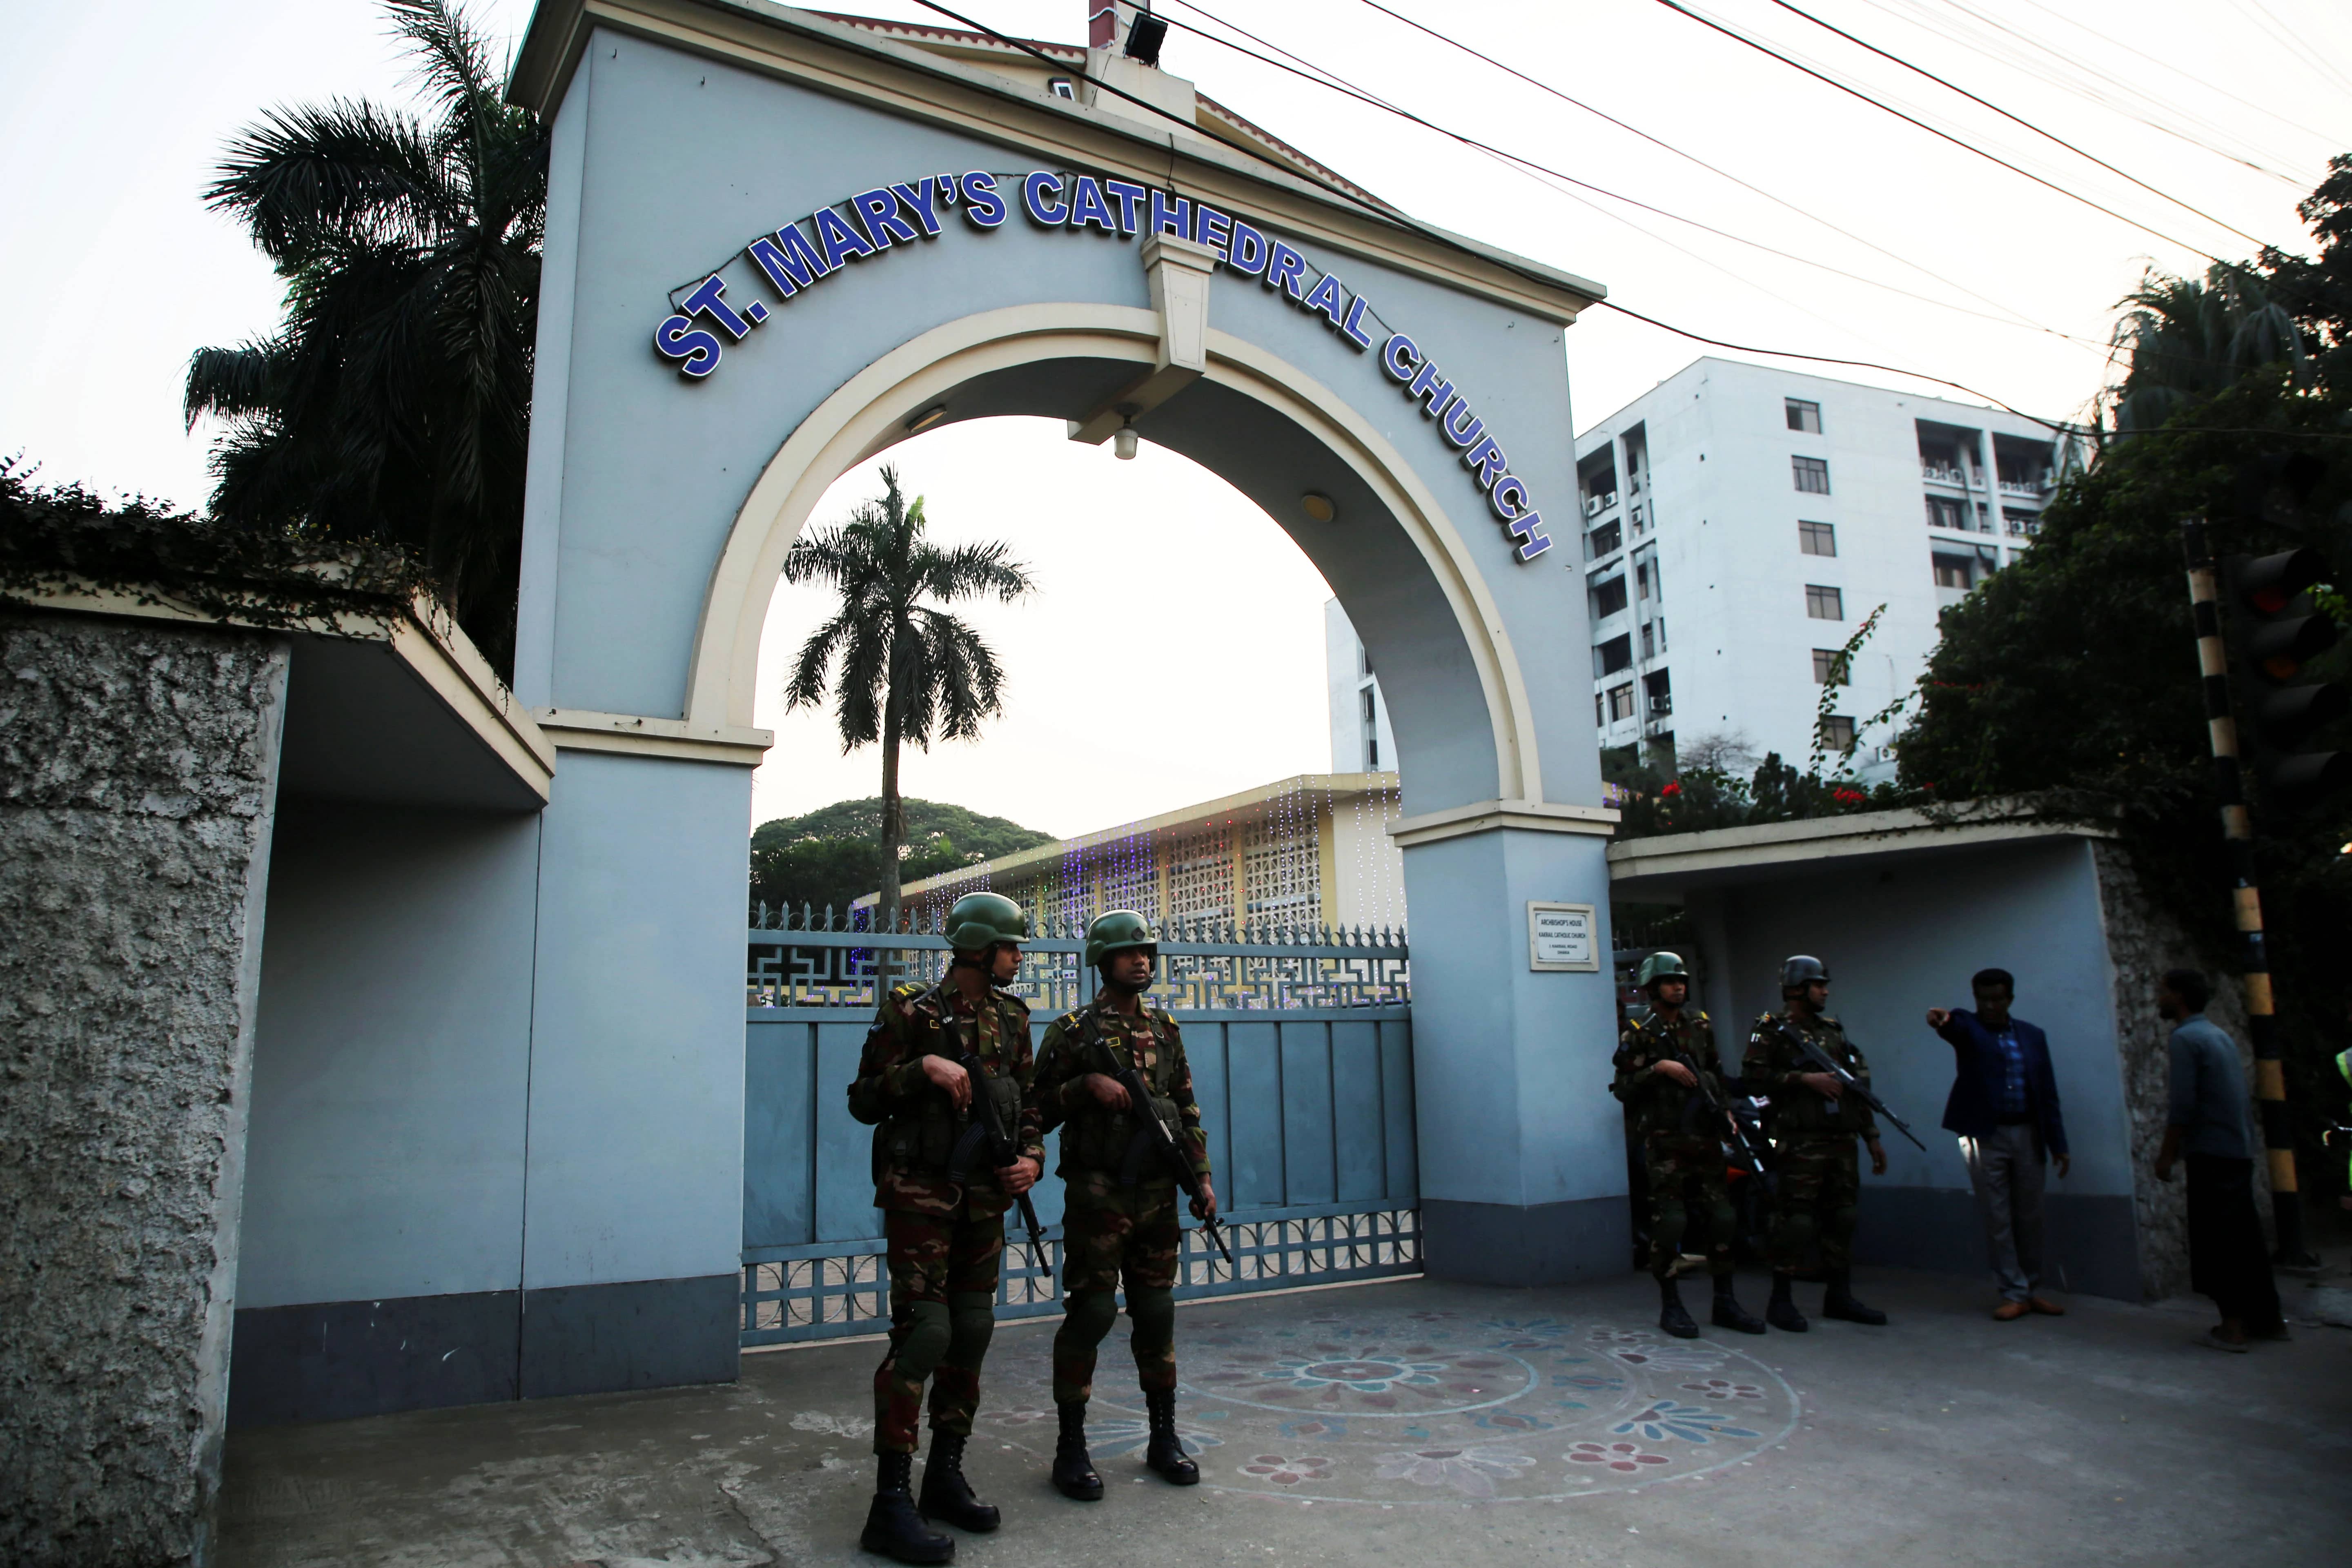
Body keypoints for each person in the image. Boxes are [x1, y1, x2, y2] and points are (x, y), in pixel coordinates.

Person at [846, 892, 1042, 1563]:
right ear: (982, 950)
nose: (1020, 957)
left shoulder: (1014, 1021)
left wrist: (1032, 1161)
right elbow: (863, 1100)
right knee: (926, 1333)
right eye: (1013, 946)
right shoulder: (912, 1013)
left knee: (972, 1330)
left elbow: (1031, 1106)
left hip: (985, 1203)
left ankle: (944, 1476)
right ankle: (889, 1503)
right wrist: (920, 1070)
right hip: (921, 1199)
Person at [1029, 911, 1217, 1499]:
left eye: (1147, 953)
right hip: (1098, 1195)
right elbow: (1035, 1110)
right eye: (1129, 953)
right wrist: (1084, 1088)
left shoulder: (1165, 1029)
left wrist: (1202, 1178)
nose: (1142, 961)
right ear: (1103, 962)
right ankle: (1072, 1448)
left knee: (1156, 1314)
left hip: (1159, 1196)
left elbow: (1186, 1109)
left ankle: (1164, 1436)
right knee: (1091, 1314)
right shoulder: (1074, 1033)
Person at [1612, 952, 1766, 1339]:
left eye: (1681, 980)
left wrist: (1727, 1113)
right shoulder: (1639, 1033)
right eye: (1669, 981)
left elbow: (1714, 1072)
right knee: (1672, 1221)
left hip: (1705, 1136)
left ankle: (1725, 1301)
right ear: (1652, 989)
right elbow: (1623, 1089)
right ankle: (1672, 1304)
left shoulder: (1699, 1025)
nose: (1678, 986)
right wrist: (1658, 1069)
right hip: (1666, 1142)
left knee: (1723, 1219)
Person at [1743, 955, 1889, 1332]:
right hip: (1800, 1141)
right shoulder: (1771, 1030)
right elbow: (1754, 1080)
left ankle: (1839, 1296)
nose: (1825, 991)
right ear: (1796, 990)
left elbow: (1856, 1089)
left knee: (1843, 1217)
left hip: (1840, 1139)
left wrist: (1871, 1136)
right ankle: (1781, 1300)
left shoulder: (1832, 1031)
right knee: (1796, 1221)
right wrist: (1803, 1081)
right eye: (1818, 984)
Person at [2152, 967, 2286, 1352]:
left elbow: (2183, 1106)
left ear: (2178, 996)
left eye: (2163, 992)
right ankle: (2269, 1320)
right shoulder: (2218, 1035)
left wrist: (2166, 1157)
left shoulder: (2185, 1039)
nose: (2158, 999)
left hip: (2211, 1155)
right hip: (2236, 1153)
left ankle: (2233, 1326)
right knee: (2246, 1239)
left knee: (2218, 1243)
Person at [1927, 969, 2071, 1320]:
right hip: (1984, 1135)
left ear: (2010, 999)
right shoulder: (1969, 1029)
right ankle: (2013, 1291)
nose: (1990, 1006)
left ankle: (2031, 1289)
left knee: (2031, 1215)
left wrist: (2058, 1144)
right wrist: (1942, 1020)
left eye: (1998, 999)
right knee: (1998, 1216)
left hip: (2028, 1133)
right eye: (1984, 1000)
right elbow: (1954, 1025)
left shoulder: (2033, 1036)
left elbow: (2048, 1092)